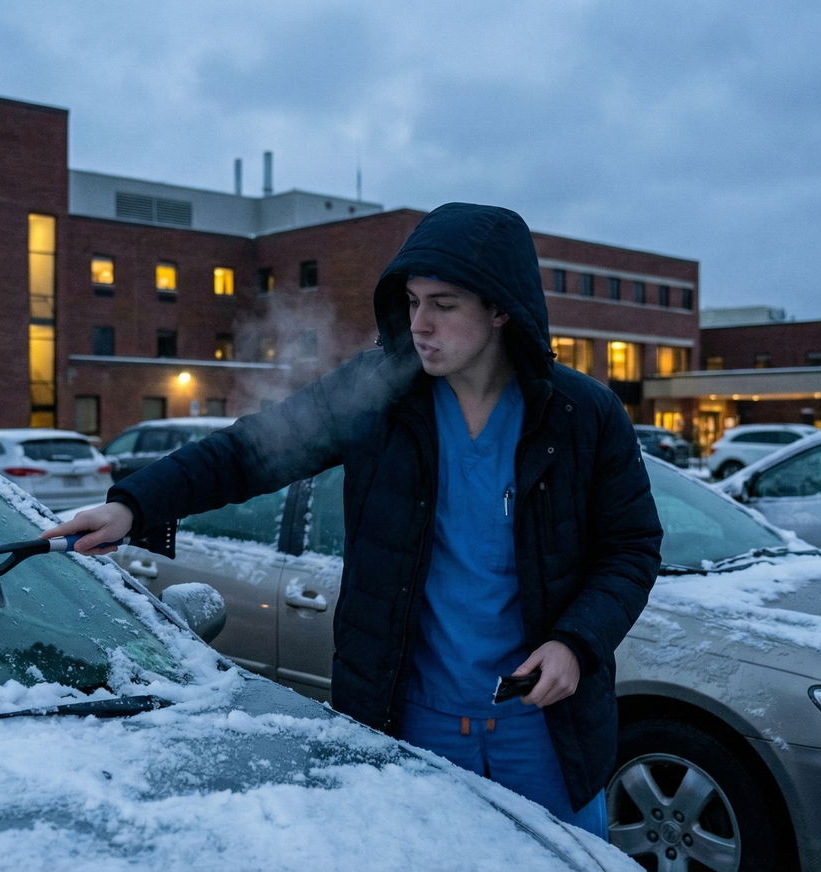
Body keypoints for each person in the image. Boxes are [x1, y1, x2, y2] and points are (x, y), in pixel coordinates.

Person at [49, 202, 661, 836]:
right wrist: (134, 503)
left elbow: (633, 546)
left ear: (501, 308)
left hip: (547, 734)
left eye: (443, 305)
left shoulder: (582, 415)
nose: (419, 323)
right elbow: (251, 450)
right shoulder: (378, 393)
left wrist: (577, 642)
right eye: (412, 300)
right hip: (409, 726)